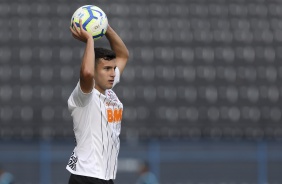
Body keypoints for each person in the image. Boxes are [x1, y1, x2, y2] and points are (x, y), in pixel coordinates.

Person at [66, 18, 129, 184]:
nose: (113, 73)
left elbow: (123, 55)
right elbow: (86, 73)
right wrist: (89, 40)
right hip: (86, 177)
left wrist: (105, 27)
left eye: (113, 68)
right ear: (94, 71)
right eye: (106, 69)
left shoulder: (108, 90)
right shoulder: (84, 96)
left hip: (104, 177)